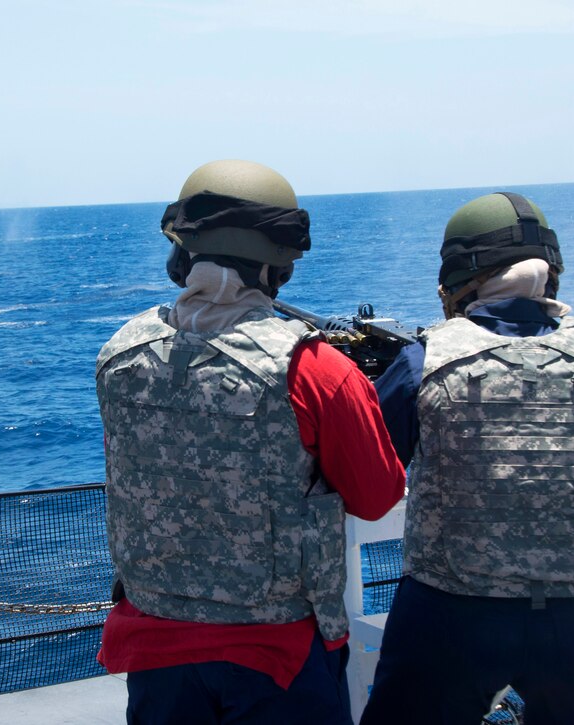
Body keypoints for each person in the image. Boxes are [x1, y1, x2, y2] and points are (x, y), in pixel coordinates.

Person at [95, 159, 406, 724]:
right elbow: (377, 498)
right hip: (277, 657)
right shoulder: (318, 371)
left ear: (181, 256)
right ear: (280, 268)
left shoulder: (119, 354)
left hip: (154, 651)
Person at [361, 192, 574, 725]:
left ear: (461, 274)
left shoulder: (426, 360)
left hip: (452, 608)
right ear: (551, 271)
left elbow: (378, 463)